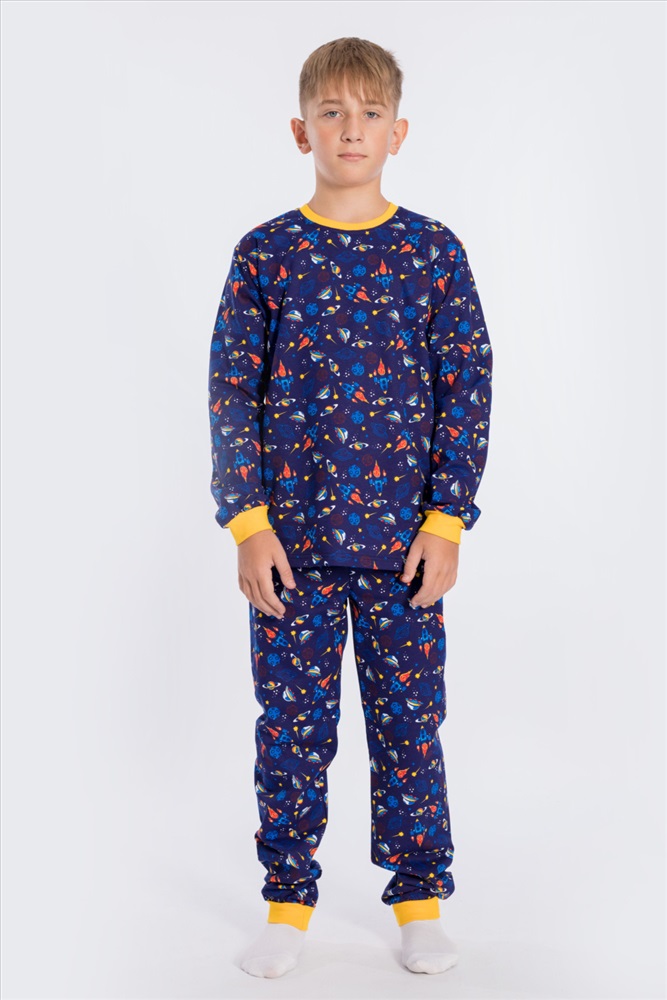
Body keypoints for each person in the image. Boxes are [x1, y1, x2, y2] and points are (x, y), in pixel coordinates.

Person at [207, 36, 493, 979]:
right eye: (331, 112)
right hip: (289, 554)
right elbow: (229, 392)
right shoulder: (265, 254)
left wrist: (446, 521)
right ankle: (286, 904)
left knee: (409, 731)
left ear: (398, 131)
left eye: (370, 113)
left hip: (405, 552)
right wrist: (248, 523)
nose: (350, 129)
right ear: (301, 130)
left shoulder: (432, 252)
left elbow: (466, 387)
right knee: (290, 734)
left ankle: (419, 902)